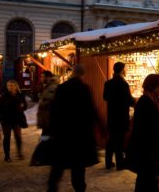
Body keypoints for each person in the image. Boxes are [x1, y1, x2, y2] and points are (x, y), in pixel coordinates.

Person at [47, 64, 99, 192]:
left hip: (63, 132)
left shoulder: (62, 88)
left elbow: (54, 110)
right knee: (78, 166)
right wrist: (100, 127)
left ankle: (52, 187)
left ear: (72, 73)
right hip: (81, 133)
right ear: (82, 74)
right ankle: (80, 188)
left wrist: (51, 129)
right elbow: (92, 110)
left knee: (59, 164)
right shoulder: (84, 89)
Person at [126, 74, 159, 192]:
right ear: (153, 86)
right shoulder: (146, 103)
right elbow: (147, 132)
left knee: (147, 180)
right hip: (147, 151)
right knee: (147, 181)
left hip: (149, 151)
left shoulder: (151, 100)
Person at [103, 62, 134, 170]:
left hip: (112, 115)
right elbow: (129, 100)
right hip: (121, 115)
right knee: (119, 140)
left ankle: (108, 162)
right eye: (125, 68)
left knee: (111, 139)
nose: (126, 70)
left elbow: (105, 97)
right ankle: (120, 164)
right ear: (121, 70)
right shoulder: (123, 84)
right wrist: (135, 103)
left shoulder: (108, 83)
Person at [0, 79, 27, 162]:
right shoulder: (4, 96)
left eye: (12, 85)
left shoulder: (20, 95)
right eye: (8, 86)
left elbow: (25, 106)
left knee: (18, 137)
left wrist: (22, 106)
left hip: (17, 119)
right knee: (7, 138)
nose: (10, 87)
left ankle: (19, 153)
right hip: (6, 120)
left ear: (16, 86)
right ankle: (7, 156)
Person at [37, 71, 59, 138]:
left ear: (49, 77)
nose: (41, 78)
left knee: (45, 139)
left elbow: (53, 102)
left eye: (43, 77)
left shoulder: (52, 87)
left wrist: (42, 102)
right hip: (46, 119)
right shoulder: (47, 87)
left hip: (49, 119)